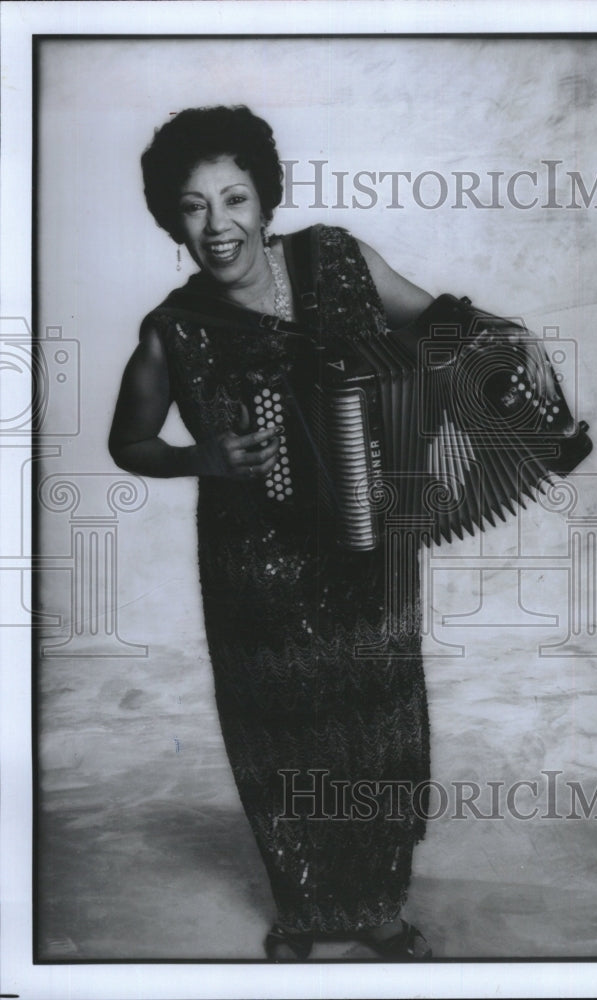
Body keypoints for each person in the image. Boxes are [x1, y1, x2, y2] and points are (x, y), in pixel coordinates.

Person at [109, 106, 435, 961]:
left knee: (381, 724)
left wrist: (484, 369)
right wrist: (202, 458)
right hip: (257, 568)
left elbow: (433, 326)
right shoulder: (172, 330)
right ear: (169, 218)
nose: (218, 227)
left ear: (265, 200)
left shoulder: (338, 258)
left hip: (371, 542)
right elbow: (129, 444)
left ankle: (379, 910)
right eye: (192, 206)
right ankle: (303, 908)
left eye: (235, 198)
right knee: (279, 733)